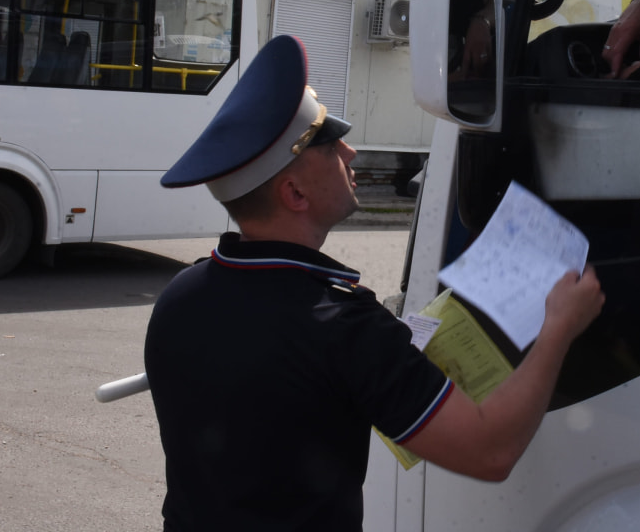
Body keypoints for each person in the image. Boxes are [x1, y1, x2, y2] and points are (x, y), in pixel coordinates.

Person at [144, 35, 604, 532]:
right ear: (294, 191)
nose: (351, 150)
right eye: (327, 142)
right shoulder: (343, 327)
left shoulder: (179, 297)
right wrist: (559, 325)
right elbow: (488, 451)